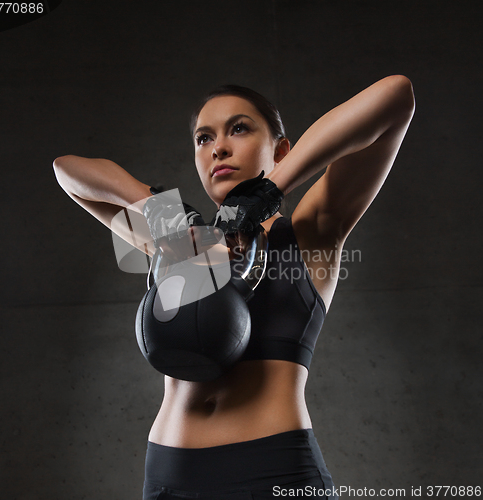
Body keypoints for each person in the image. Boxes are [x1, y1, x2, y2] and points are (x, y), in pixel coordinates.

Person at [53, 76, 415, 499]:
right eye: (203, 138)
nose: (218, 148)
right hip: (170, 477)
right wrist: (159, 210)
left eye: (238, 129)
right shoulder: (175, 246)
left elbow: (395, 96)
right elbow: (68, 172)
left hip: (271, 471)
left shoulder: (310, 233)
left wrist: (271, 188)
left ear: (280, 149)